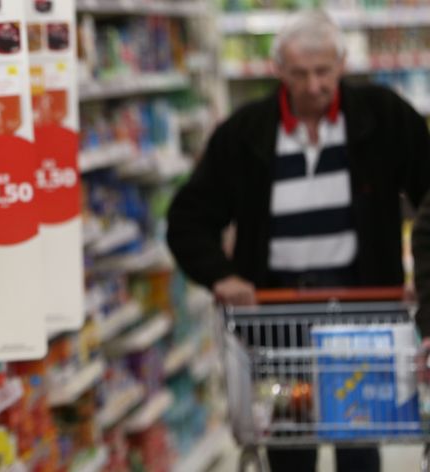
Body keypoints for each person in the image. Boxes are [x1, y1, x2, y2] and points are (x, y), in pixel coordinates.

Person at [166, 9, 430, 472]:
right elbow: (189, 217)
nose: (313, 85)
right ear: (279, 71)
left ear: (342, 64)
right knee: (289, 441)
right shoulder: (245, 132)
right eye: (300, 73)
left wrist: (423, 282)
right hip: (278, 316)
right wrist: (220, 276)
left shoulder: (384, 117)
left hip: (361, 313)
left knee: (359, 438)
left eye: (323, 71)